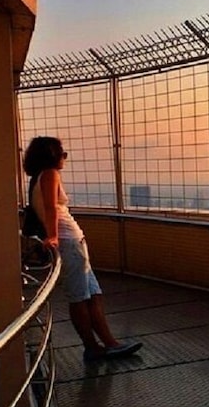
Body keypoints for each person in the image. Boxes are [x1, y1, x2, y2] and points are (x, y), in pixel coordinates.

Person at [23, 136, 142, 362]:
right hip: (68, 241)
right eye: (62, 153)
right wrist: (54, 236)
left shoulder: (38, 178)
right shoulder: (49, 174)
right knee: (79, 297)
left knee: (93, 295)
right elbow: (50, 208)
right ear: (52, 155)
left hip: (74, 241)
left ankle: (109, 344)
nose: (64, 158)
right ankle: (92, 347)